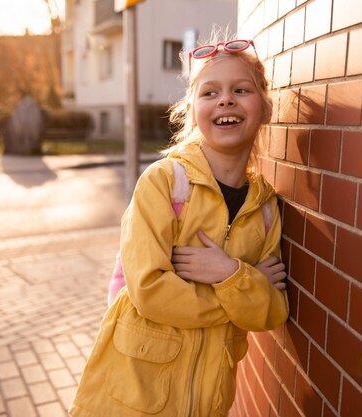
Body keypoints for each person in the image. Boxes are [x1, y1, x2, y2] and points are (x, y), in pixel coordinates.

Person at [69, 33, 289, 417]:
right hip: (131, 397)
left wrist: (226, 271)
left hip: (208, 402)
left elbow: (272, 312)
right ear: (192, 109)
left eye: (241, 89)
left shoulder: (265, 208)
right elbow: (150, 289)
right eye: (209, 93)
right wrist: (243, 283)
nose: (225, 100)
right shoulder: (165, 183)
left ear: (266, 109)